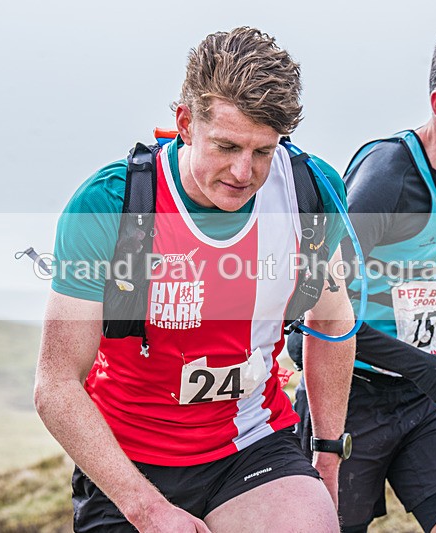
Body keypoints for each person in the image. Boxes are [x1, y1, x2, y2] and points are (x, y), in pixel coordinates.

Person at [34, 27, 355, 532]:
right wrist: (149, 510)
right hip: (130, 460)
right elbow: (55, 384)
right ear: (185, 123)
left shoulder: (309, 193)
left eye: (264, 151)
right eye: (226, 146)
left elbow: (332, 320)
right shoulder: (110, 204)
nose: (243, 172)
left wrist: (327, 456)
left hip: (251, 444)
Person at [293, 24, 436, 532]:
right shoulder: (387, 180)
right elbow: (311, 318)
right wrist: (424, 368)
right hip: (348, 395)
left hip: (429, 397)